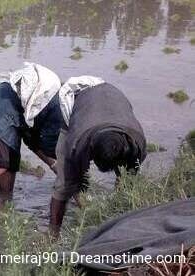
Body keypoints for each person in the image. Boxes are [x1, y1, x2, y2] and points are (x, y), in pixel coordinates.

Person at [50, 77, 146, 235]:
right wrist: (85, 204)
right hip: (81, 102)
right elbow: (73, 179)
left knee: (127, 182)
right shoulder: (77, 141)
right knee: (64, 183)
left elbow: (130, 177)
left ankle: (117, 224)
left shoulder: (137, 143)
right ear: (91, 149)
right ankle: (53, 233)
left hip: (115, 100)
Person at [0, 63, 62, 207]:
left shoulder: (49, 102)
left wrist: (54, 164)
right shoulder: (53, 109)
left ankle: (4, 202)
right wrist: (53, 163)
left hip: (4, 108)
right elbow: (36, 142)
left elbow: (32, 140)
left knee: (10, 163)